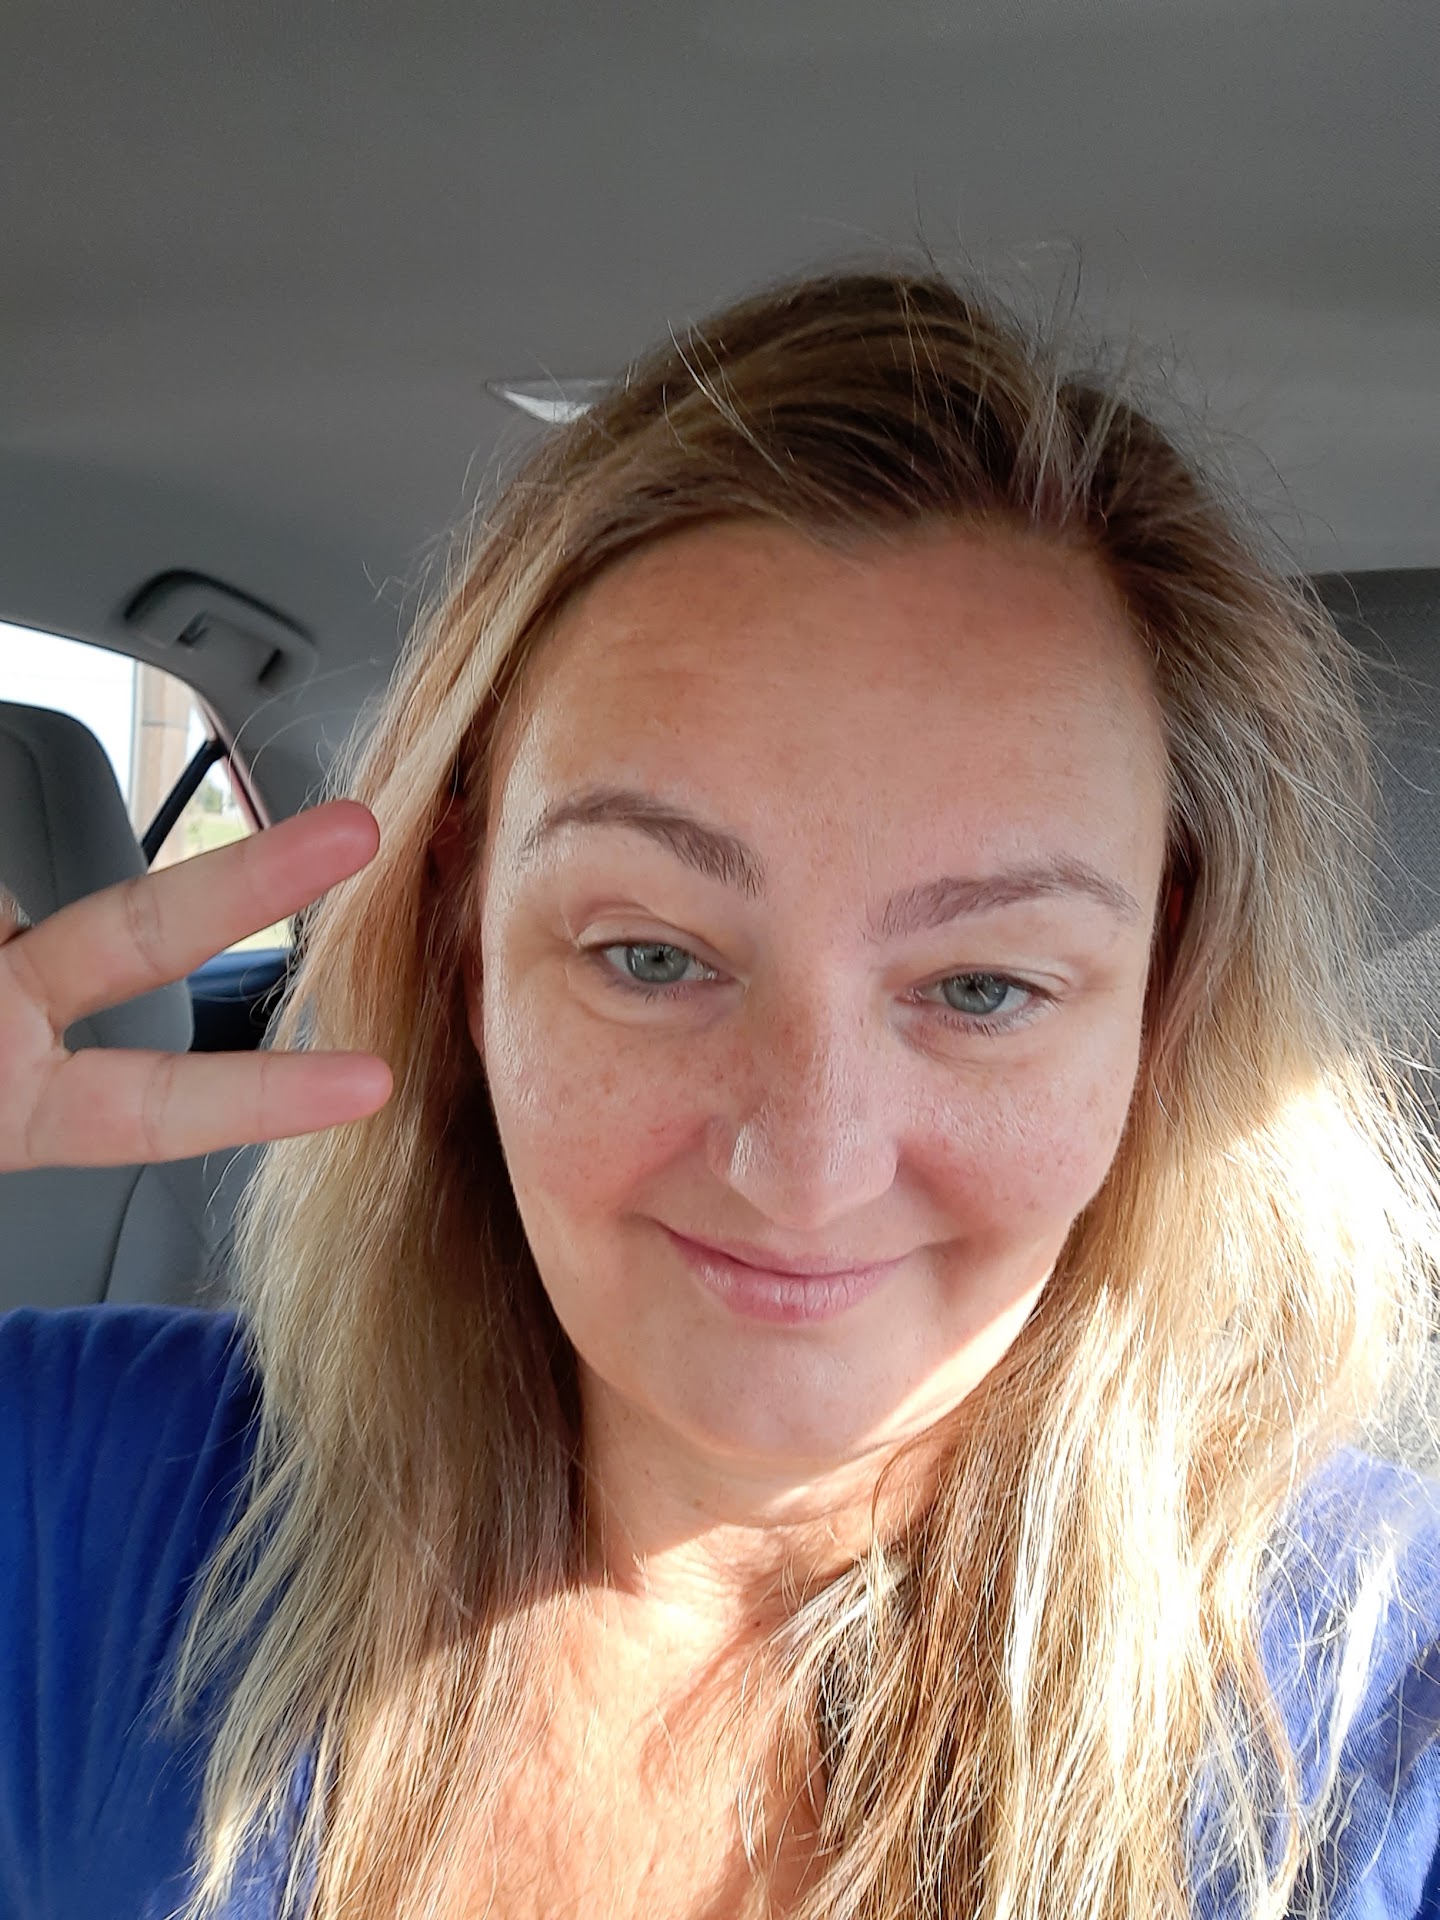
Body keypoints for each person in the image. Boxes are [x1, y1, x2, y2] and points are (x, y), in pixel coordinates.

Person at [2, 264, 1439, 1920]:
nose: (807, 1167)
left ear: (1159, 1004)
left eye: (984, 988)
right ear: (465, 944)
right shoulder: (82, 1506)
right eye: (652, 956)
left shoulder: (1382, 1720)